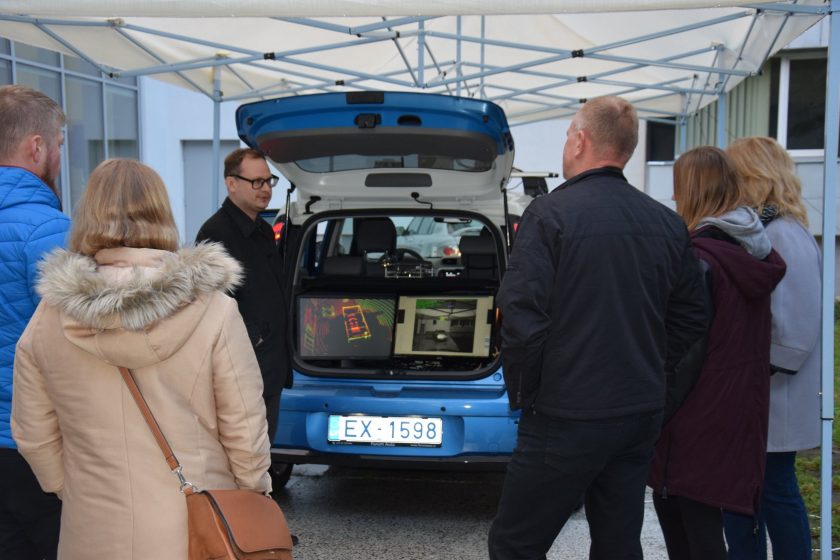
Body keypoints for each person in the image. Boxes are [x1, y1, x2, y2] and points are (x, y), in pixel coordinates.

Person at [11, 159, 272, 559]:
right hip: (196, 527)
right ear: (162, 212)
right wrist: (252, 494)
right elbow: (245, 428)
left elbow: (33, 433)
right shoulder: (214, 310)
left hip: (92, 529)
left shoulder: (48, 317)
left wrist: (74, 488)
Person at [488, 96, 710, 560]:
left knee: (515, 544)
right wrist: (651, 367)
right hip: (637, 412)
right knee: (618, 542)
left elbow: (522, 317)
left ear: (580, 140)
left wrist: (528, 393)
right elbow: (692, 316)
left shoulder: (549, 215)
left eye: (568, 134)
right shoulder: (667, 223)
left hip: (565, 413)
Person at [647, 146, 787, 560]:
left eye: (678, 188)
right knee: (701, 524)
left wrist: (655, 410)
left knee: (691, 529)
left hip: (693, 414)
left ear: (693, 191)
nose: (674, 197)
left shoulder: (700, 257)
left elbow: (686, 351)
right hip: (732, 408)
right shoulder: (750, 249)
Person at [721, 137, 821, 560]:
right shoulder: (765, 229)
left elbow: (796, 327)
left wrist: (753, 372)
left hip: (772, 394)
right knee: (747, 491)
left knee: (775, 491)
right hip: (760, 392)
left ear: (751, 176)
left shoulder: (782, 233)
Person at [0, 84, 68, 560]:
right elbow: (79, 342)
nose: (60, 157)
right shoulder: (51, 230)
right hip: (35, 440)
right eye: (59, 144)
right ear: (37, 147)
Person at [196, 148, 291, 444]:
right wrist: (255, 338)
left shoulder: (263, 229)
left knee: (263, 450)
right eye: (256, 182)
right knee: (244, 454)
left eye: (268, 181)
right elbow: (207, 308)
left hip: (270, 368)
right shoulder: (215, 234)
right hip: (242, 372)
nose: (265, 189)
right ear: (231, 183)